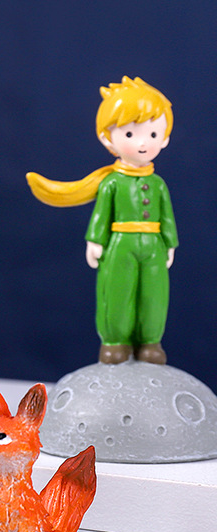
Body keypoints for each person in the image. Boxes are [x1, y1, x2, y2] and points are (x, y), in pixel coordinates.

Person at [27, 76, 177, 364]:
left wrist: (169, 242)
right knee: (117, 291)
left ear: (165, 138)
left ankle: (150, 341)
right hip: (120, 243)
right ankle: (115, 340)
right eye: (130, 134)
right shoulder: (112, 183)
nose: (143, 143)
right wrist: (95, 241)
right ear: (108, 138)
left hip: (154, 245)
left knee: (154, 293)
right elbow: (102, 214)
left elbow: (166, 216)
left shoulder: (158, 184)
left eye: (153, 134)